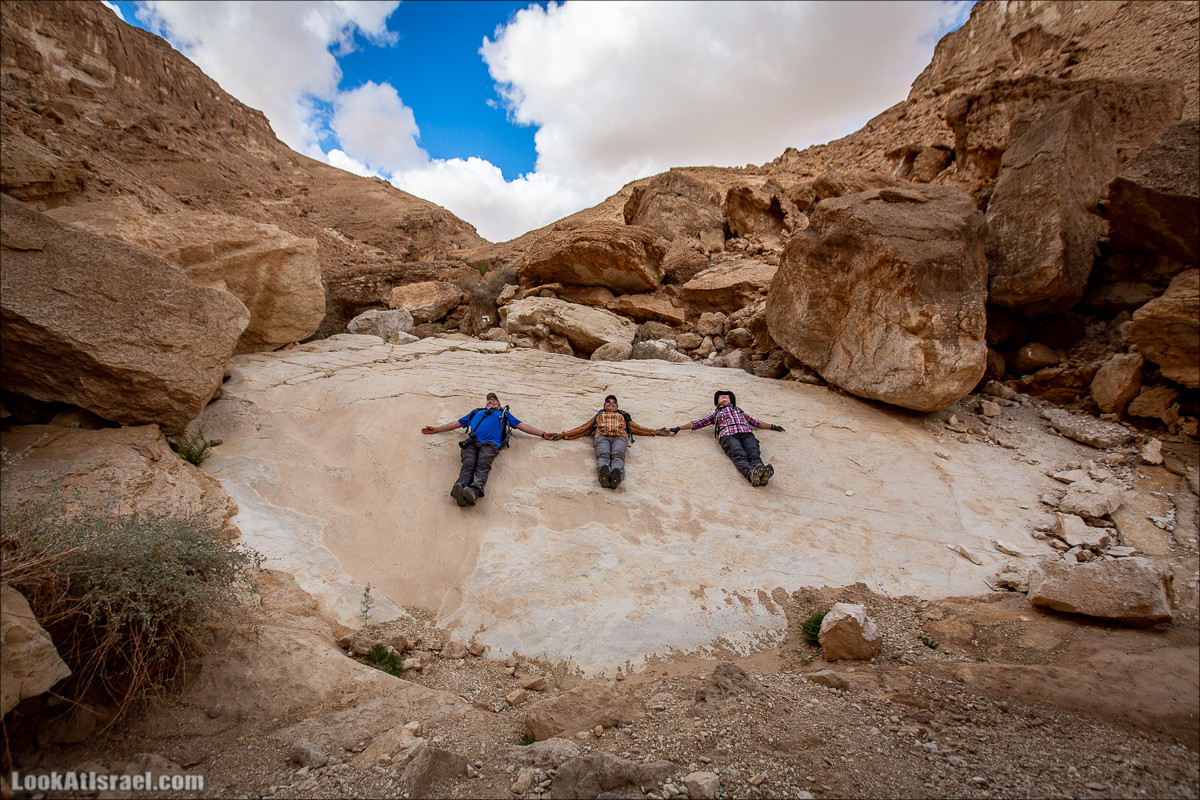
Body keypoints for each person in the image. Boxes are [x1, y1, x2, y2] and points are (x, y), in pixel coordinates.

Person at [421, 392, 551, 507]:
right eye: (489, 399)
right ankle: (460, 488)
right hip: (471, 443)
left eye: (494, 399)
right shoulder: (476, 412)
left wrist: (543, 434)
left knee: (483, 464)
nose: (491, 399)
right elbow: (456, 424)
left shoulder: (503, 414)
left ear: (499, 405)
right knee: (468, 464)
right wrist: (437, 429)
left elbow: (522, 426)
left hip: (490, 444)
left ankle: (474, 490)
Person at [547, 395, 671, 488]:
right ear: (604, 405)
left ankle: (616, 477)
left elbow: (636, 428)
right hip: (602, 437)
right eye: (608, 401)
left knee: (618, 455)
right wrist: (563, 435)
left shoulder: (622, 416)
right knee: (603, 455)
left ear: (617, 406)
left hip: (620, 437)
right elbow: (584, 428)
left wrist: (656, 431)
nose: (611, 403)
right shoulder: (600, 415)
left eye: (614, 402)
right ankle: (604, 474)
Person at [669, 390, 784, 486]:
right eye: (721, 396)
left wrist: (773, 426)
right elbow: (697, 423)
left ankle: (762, 473)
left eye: (727, 396)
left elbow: (756, 422)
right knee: (739, 455)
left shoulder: (739, 411)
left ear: (731, 400)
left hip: (746, 433)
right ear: (717, 402)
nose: (724, 397)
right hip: (728, 435)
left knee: (754, 453)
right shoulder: (716, 414)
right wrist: (678, 428)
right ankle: (751, 474)